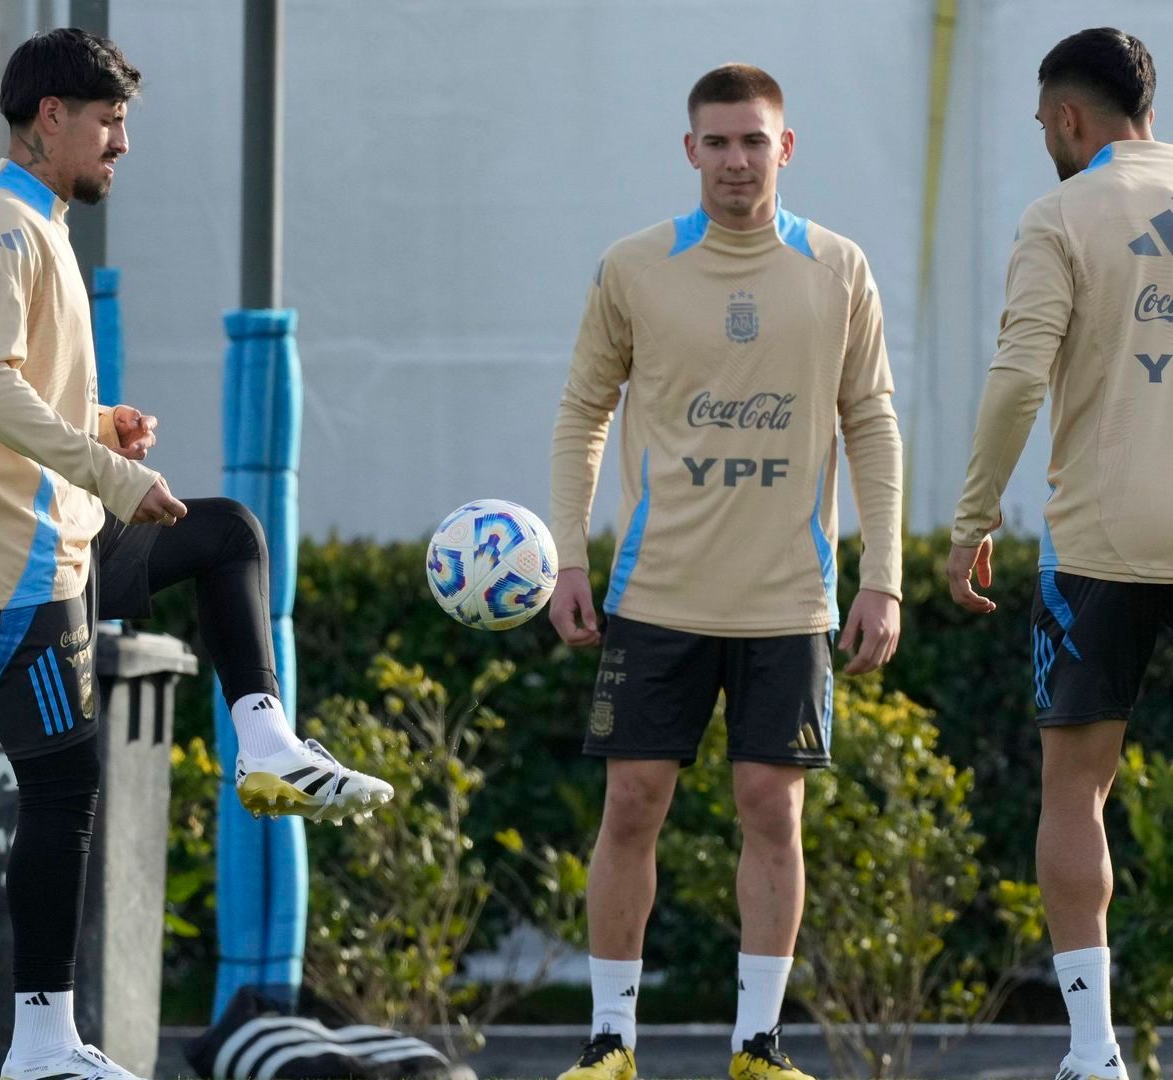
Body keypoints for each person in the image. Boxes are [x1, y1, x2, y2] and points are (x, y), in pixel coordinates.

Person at [0, 28, 392, 1080]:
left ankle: (265, 748)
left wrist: (99, 424)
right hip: (6, 561)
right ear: (51, 118)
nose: (122, 143)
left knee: (225, 535)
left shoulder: (35, 223)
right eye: (109, 120)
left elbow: (10, 388)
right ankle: (40, 1048)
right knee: (65, 787)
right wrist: (115, 477)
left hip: (57, 540)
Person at [545, 63, 903, 1080]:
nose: (736, 160)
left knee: (772, 810)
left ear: (785, 148)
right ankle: (611, 1042)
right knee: (631, 805)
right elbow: (582, 412)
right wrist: (570, 556)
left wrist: (882, 575)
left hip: (787, 598)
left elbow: (872, 421)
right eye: (718, 141)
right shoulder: (634, 267)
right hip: (656, 591)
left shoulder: (838, 267)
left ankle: (759, 1046)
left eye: (754, 140)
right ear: (690, 149)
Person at [946, 27, 1166, 1080]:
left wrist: (973, 518)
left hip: (1104, 544)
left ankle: (1095, 1053)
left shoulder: (1061, 214)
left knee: (1076, 790)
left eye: (1043, 123)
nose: (1045, 138)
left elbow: (1017, 379)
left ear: (1070, 119)